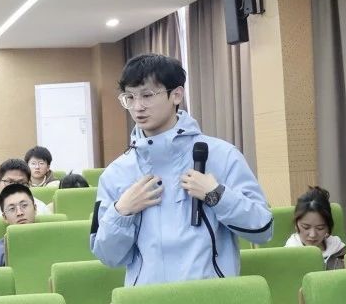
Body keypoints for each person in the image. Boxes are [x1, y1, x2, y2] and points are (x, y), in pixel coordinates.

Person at [91, 53, 272, 286]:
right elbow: (107, 256)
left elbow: (263, 229)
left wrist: (217, 196)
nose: (137, 107)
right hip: (147, 301)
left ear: (176, 94)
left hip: (212, 297)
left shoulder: (222, 155)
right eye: (130, 97)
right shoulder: (116, 173)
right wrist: (121, 212)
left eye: (147, 95)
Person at [285, 187, 346, 270]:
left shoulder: (338, 248)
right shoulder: (289, 253)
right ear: (296, 224)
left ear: (328, 227)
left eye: (320, 228)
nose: (313, 235)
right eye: (306, 227)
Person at [0, 183, 37, 266]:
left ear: (35, 209)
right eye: (12, 209)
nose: (19, 213)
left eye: (24, 205)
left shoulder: (53, 241)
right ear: (5, 217)